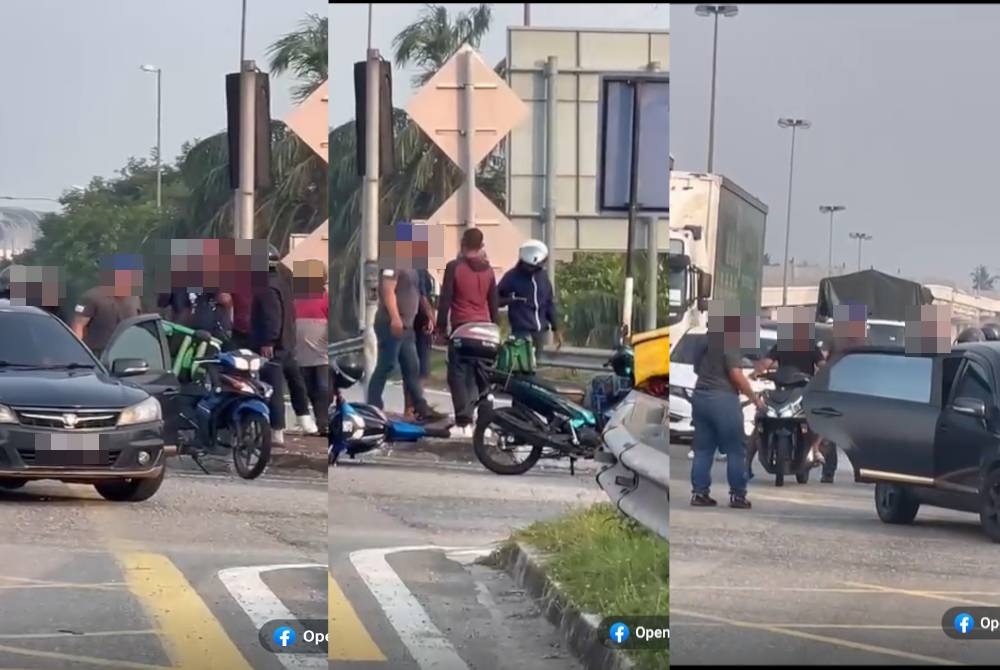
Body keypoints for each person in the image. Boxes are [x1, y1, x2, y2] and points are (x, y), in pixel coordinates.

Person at [367, 229, 446, 424]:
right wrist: (395, 318)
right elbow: (387, 291)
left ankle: (420, 406)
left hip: (408, 327)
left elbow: (418, 294)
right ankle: (373, 406)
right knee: (387, 364)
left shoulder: (413, 267)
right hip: (392, 324)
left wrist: (428, 315)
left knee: (412, 367)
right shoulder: (392, 262)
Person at [691, 316, 763, 509]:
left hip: (700, 397)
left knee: (703, 449)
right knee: (736, 450)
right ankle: (738, 496)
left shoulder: (702, 342)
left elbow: (697, 369)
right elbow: (736, 375)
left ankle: (699, 493)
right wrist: (755, 399)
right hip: (722, 398)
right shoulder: (728, 342)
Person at [436, 228, 500, 438]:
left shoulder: (454, 267)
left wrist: (440, 330)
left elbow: (445, 300)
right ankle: (485, 422)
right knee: (483, 378)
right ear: (481, 245)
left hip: (463, 330)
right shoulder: (489, 271)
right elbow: (493, 304)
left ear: (463, 244)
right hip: (486, 331)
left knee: (458, 375)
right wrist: (496, 331)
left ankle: (463, 421)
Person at [749, 318, 826, 481]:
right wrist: (757, 372)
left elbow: (822, 365)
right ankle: (746, 463)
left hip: (803, 391)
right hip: (781, 392)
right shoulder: (784, 345)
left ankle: (815, 449)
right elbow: (765, 363)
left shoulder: (811, 347)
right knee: (761, 421)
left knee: (818, 419)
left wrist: (824, 376)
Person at [251, 245, 298, 445]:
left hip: (273, 344)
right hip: (286, 340)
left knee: (272, 387)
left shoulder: (267, 287)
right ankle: (275, 427)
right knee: (279, 384)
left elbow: (272, 317)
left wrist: (268, 341)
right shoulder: (281, 281)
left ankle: (276, 429)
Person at [72, 254, 143, 359]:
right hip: (97, 354)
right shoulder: (92, 297)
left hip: (126, 354)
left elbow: (138, 325)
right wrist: (78, 353)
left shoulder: (135, 298)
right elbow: (78, 326)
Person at [498, 239, 563, 354]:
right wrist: (510, 300)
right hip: (521, 332)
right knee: (523, 367)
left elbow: (549, 303)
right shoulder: (511, 277)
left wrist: (556, 328)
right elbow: (496, 299)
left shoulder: (543, 277)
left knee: (537, 366)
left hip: (540, 333)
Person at [290, 260, 328, 435]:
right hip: (301, 355)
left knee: (321, 388)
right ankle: (313, 421)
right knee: (306, 390)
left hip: (321, 355)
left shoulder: (326, 298)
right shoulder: (295, 300)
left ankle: (323, 422)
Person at [404, 268, 436, 421]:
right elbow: (423, 296)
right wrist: (431, 317)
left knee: (412, 366)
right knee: (420, 367)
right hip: (418, 321)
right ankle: (415, 406)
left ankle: (411, 407)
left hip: (410, 320)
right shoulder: (418, 270)